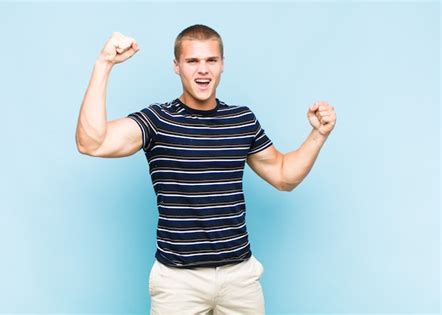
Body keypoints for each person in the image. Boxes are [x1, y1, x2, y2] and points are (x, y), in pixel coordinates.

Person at [75, 24, 336, 315]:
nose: (203, 70)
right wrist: (104, 63)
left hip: (240, 279)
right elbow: (91, 142)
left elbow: (285, 176)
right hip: (178, 283)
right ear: (177, 66)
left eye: (211, 60)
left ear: (222, 64)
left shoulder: (242, 120)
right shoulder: (158, 120)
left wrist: (319, 134)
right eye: (192, 61)